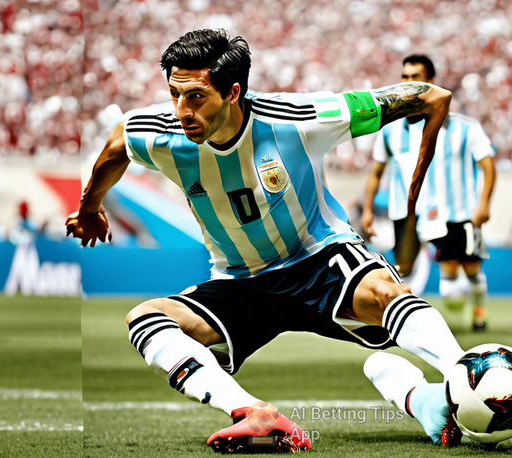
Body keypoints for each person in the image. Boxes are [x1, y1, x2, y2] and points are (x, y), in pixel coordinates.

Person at [67, 29, 466, 452]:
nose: (182, 110)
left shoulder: (300, 118)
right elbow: (116, 145)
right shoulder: (159, 133)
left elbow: (431, 96)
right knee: (145, 319)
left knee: (386, 295)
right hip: (241, 282)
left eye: (196, 97)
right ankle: (252, 412)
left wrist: (417, 179)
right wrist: (90, 207)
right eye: (174, 94)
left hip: (319, 260)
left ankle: (464, 374)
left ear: (233, 91)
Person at [360, 54, 496, 331]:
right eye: (405, 76)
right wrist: (366, 210)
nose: (409, 82)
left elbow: (488, 165)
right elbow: (376, 172)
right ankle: (401, 324)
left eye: (416, 76)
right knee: (403, 272)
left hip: (455, 212)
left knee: (465, 276)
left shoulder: (464, 127)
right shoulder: (390, 131)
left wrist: (483, 203)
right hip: (407, 213)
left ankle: (479, 313)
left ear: (430, 81)